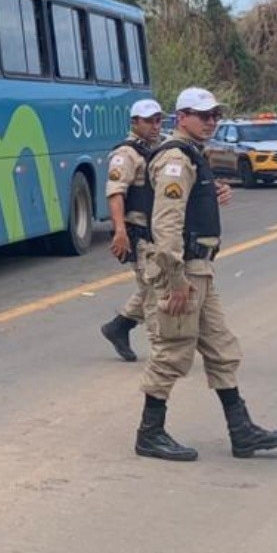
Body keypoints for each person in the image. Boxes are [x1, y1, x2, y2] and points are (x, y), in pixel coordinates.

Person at [134, 87, 277, 462]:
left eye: (215, 115)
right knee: (172, 352)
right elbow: (167, 223)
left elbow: (186, 206)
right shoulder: (175, 158)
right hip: (184, 270)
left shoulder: (193, 156)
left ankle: (242, 432)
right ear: (182, 116)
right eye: (203, 115)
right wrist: (175, 280)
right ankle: (149, 433)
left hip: (200, 269)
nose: (211, 121)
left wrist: (212, 193)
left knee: (222, 350)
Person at [99, 98, 164, 362]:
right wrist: (120, 231)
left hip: (158, 232)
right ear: (135, 122)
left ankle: (119, 326)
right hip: (140, 234)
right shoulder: (125, 155)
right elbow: (116, 193)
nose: (154, 126)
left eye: (158, 120)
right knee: (154, 295)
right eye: (148, 121)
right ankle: (163, 354)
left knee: (155, 285)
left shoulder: (155, 149)